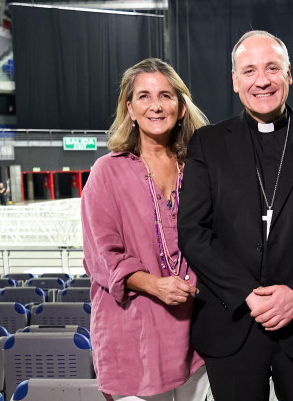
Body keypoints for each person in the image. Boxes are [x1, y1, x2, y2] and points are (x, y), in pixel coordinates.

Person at [178, 30, 293, 401]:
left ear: (289, 74)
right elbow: (193, 231)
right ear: (235, 80)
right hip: (233, 321)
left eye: (272, 68)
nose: (261, 80)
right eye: (249, 70)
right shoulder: (208, 144)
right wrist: (246, 294)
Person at [81, 58, 211, 401]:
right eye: (144, 96)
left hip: (195, 337)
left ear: (181, 108)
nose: (156, 105)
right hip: (132, 336)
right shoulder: (106, 172)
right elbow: (102, 258)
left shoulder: (200, 169)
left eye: (166, 95)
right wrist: (155, 285)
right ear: (130, 109)